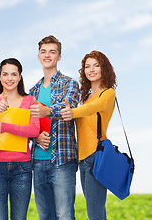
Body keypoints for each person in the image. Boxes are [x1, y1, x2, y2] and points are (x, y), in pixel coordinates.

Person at [61, 50, 117, 220]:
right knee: (97, 212)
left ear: (104, 69)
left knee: (95, 213)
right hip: (83, 159)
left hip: (96, 156)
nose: (91, 69)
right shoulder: (85, 97)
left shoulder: (107, 94)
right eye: (87, 66)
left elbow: (93, 107)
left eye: (96, 65)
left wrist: (74, 112)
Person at [29, 35, 80, 220]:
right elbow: (27, 124)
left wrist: (47, 110)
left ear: (59, 56)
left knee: (65, 215)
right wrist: (35, 138)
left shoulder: (70, 84)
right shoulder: (32, 91)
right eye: (43, 52)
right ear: (38, 56)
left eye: (52, 52)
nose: (47, 55)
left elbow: (70, 106)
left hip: (62, 161)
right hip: (37, 160)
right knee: (45, 216)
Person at [0, 58, 40, 220]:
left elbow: (34, 130)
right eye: (5, 74)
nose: (9, 78)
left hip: (22, 168)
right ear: (0, 77)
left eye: (13, 74)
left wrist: (5, 127)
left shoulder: (30, 101)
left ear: (20, 77)